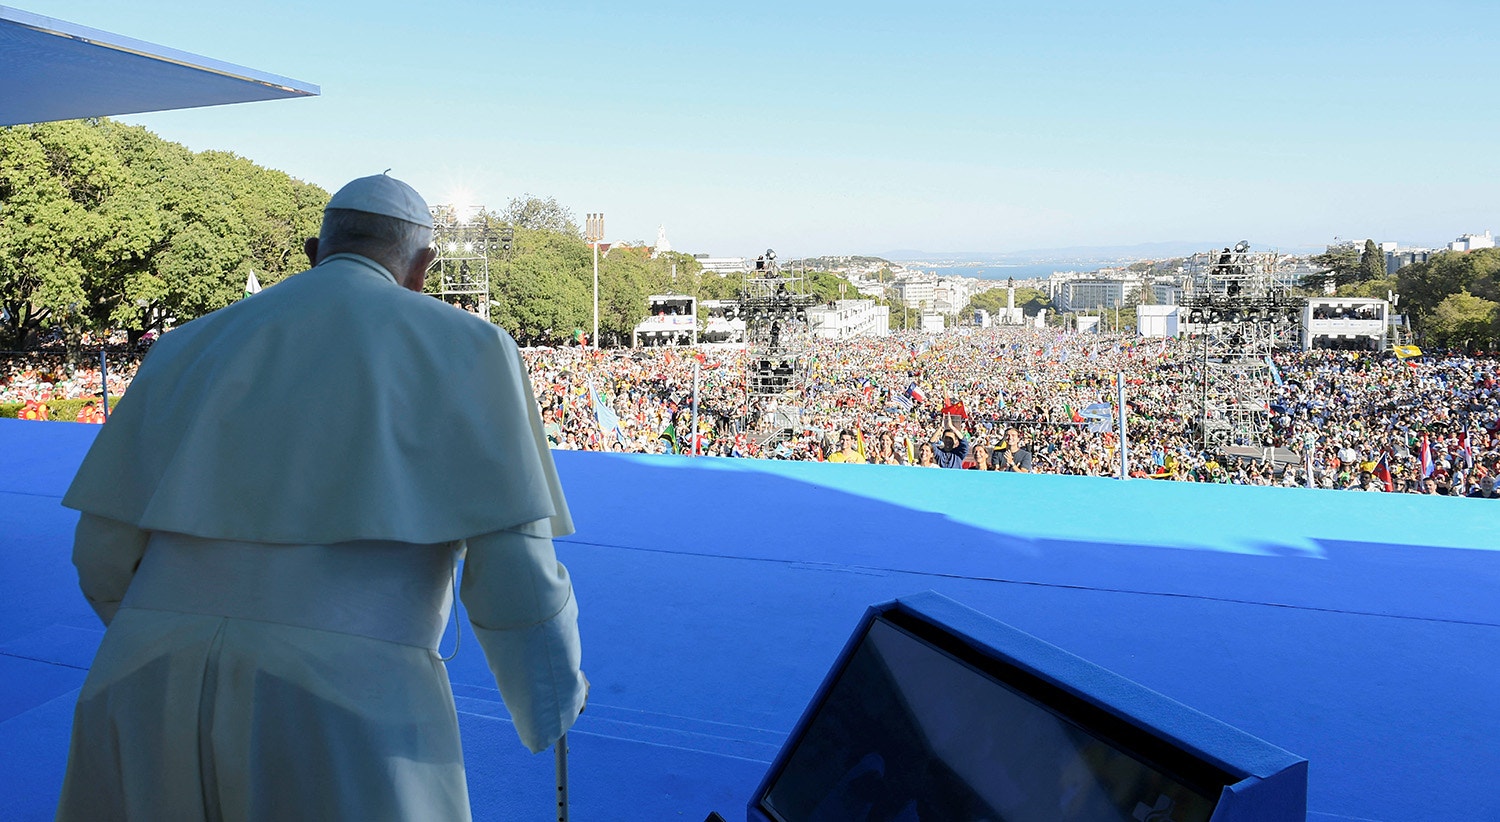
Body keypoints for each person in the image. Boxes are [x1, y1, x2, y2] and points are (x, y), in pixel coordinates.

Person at [56, 175, 586, 821]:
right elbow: (514, 573)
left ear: (314, 251)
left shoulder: (188, 342)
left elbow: (102, 549)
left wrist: (162, 634)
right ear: (423, 266)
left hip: (141, 679)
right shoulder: (469, 343)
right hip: (345, 696)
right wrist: (552, 698)